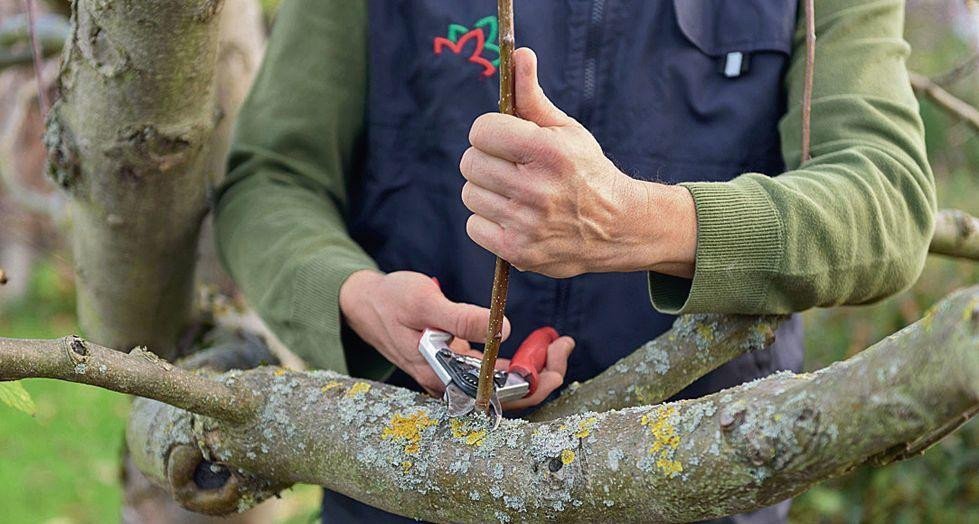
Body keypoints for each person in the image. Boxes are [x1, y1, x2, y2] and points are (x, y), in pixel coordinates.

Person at [214, 0, 935, 522]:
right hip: (407, 487)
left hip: (697, 495)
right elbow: (273, 177)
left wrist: (638, 223)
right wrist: (353, 294)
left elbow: (888, 202)